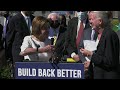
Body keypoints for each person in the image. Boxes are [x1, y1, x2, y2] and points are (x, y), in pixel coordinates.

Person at [80, 11, 119, 79]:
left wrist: (91, 54)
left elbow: (109, 61)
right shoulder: (98, 35)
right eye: (89, 19)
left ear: (100, 21)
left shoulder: (109, 35)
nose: (90, 22)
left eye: (92, 19)